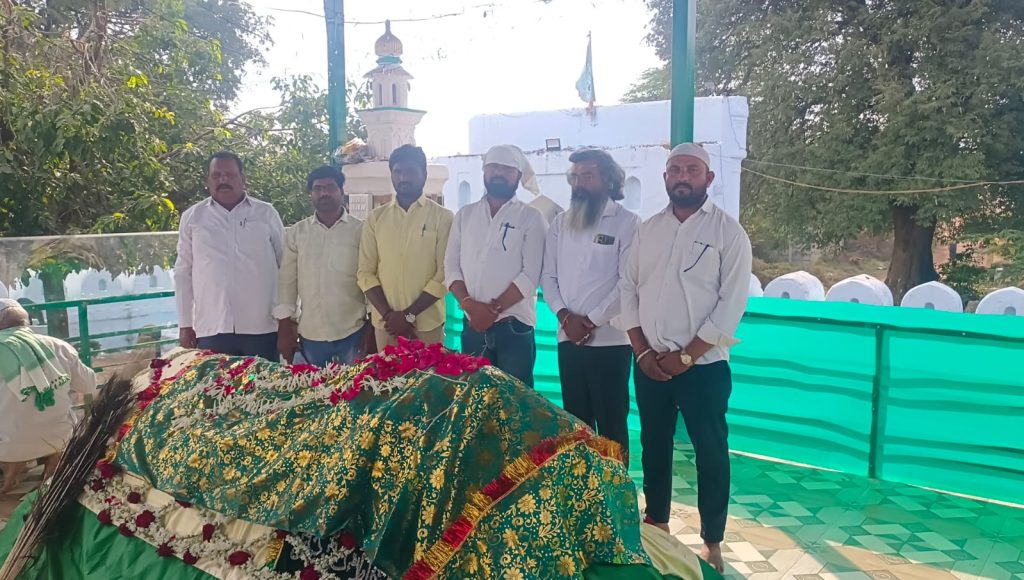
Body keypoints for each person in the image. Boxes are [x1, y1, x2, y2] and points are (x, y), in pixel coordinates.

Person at [620, 143, 752, 573]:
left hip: (704, 367)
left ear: (708, 178)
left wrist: (688, 357)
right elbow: (628, 289)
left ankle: (712, 540)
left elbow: (731, 304)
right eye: (675, 169)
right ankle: (657, 523)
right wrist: (642, 351)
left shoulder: (728, 233)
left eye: (691, 170)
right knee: (653, 445)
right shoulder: (648, 230)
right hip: (650, 363)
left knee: (710, 451)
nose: (682, 176)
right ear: (665, 178)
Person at [541, 149, 640, 458]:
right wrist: (565, 317)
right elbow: (547, 276)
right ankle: (583, 488)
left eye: (588, 175)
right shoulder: (560, 223)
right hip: (568, 339)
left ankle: (615, 488)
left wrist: (590, 321)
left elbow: (628, 283)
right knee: (575, 425)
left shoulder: (628, 223)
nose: (579, 183)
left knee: (612, 427)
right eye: (575, 176)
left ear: (609, 180)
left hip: (611, 341)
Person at [445, 145, 547, 387]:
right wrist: (469, 305)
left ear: (518, 175)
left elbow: (531, 274)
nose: (498, 173)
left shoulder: (532, 218)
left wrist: (491, 311)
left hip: (514, 327)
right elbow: (451, 266)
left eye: (506, 168)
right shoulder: (465, 215)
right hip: (472, 325)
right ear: (484, 171)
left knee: (515, 399)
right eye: (493, 167)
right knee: (475, 397)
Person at [174, 152, 285, 360]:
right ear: (208, 180)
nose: (223, 180)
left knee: (262, 381)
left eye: (230, 175)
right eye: (216, 175)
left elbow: (286, 266)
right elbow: (182, 273)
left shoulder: (266, 214)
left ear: (242, 178)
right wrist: (185, 324)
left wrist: (288, 319)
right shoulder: (193, 217)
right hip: (212, 328)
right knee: (216, 382)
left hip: (262, 327)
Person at [357, 145, 453, 349]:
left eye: (410, 171)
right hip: (387, 327)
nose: (403, 177)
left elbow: (444, 274)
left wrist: (409, 316)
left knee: (429, 371)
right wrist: (390, 316)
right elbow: (365, 273)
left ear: (424, 174)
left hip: (427, 326)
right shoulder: (376, 218)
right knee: (387, 371)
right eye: (397, 171)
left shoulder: (442, 218)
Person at [275, 166, 370, 367]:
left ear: (341, 191)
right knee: (313, 387)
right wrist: (285, 326)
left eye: (330, 187)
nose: (324, 193)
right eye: (317, 188)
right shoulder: (297, 233)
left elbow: (370, 277)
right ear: (311, 194)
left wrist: (371, 327)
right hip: (311, 335)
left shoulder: (360, 231)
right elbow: (287, 283)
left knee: (356, 385)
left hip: (353, 332)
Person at [0, 299, 97, 493]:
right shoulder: (58, 346)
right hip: (59, 437)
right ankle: (52, 469)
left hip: (8, 447)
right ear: (27, 323)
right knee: (59, 419)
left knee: (13, 425)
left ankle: (12, 472)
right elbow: (89, 385)